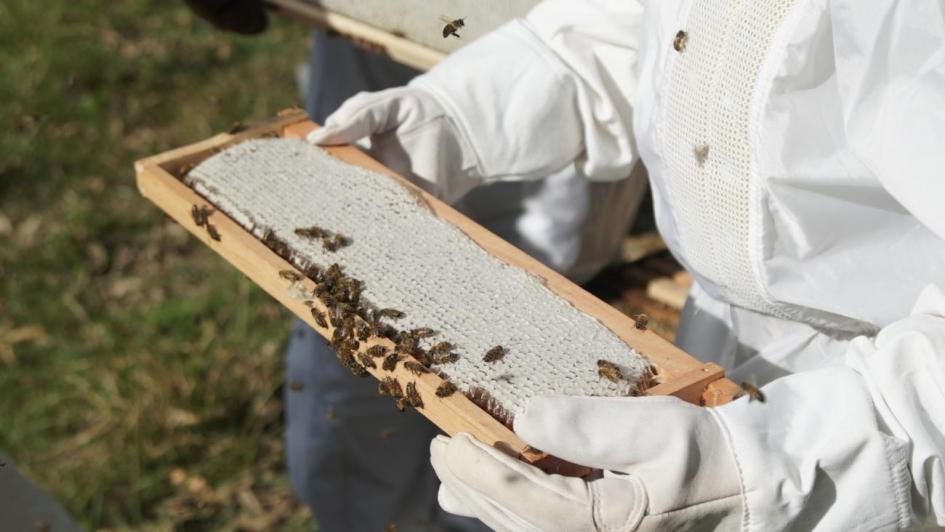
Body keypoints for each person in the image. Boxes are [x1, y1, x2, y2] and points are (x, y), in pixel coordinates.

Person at [309, 0, 945, 530]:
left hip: (888, 418)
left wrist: (791, 462)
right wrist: (468, 112)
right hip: (725, 347)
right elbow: (667, 28)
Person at [184, 1, 647, 529]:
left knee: (541, 338)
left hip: (566, 69)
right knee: (351, 287)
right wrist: (455, 110)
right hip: (395, 39)